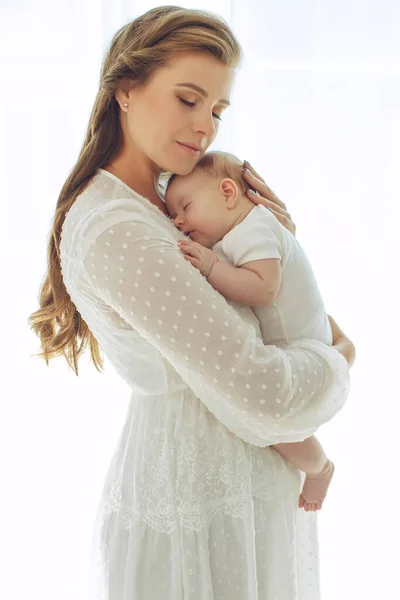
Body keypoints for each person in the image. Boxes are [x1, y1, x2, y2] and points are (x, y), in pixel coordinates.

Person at [28, 6, 355, 600]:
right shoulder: (118, 228)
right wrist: (340, 357)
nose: (205, 127)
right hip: (199, 509)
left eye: (217, 111)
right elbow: (261, 389)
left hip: (237, 495)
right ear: (125, 89)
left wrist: (276, 246)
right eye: (187, 99)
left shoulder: (165, 200)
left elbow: (255, 314)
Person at [165, 150, 349, 513]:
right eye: (172, 215)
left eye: (185, 207)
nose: (178, 222)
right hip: (304, 339)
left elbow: (261, 289)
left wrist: (211, 265)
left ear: (229, 192)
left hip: (302, 350)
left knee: (273, 427)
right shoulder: (239, 233)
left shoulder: (254, 228)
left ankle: (319, 467)